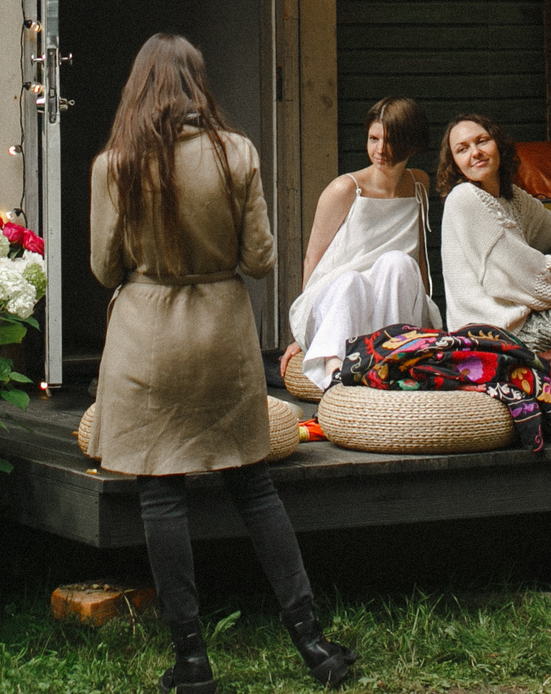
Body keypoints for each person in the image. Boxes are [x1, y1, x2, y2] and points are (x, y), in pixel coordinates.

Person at [86, 34, 357, 693]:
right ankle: (314, 645)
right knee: (254, 487)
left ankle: (191, 662)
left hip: (146, 338)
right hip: (222, 336)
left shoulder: (116, 163)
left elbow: (104, 268)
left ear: (138, 87)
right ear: (198, 84)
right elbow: (260, 258)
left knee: (160, 492)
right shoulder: (236, 152)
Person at [281, 98, 440, 391]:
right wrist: (303, 332)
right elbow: (312, 258)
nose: (380, 150)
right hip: (340, 300)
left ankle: (395, 360)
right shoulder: (344, 189)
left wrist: (424, 310)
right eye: (373, 139)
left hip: (392, 304)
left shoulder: (419, 184)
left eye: (390, 141)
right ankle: (335, 374)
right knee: (351, 281)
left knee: (399, 263)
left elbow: (417, 255)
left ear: (412, 143)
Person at [436, 112, 551, 347]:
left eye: (482, 141)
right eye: (462, 149)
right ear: (454, 163)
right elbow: (527, 275)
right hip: (497, 332)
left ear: (498, 144)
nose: (475, 152)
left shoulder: (512, 197)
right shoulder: (464, 198)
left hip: (521, 312)